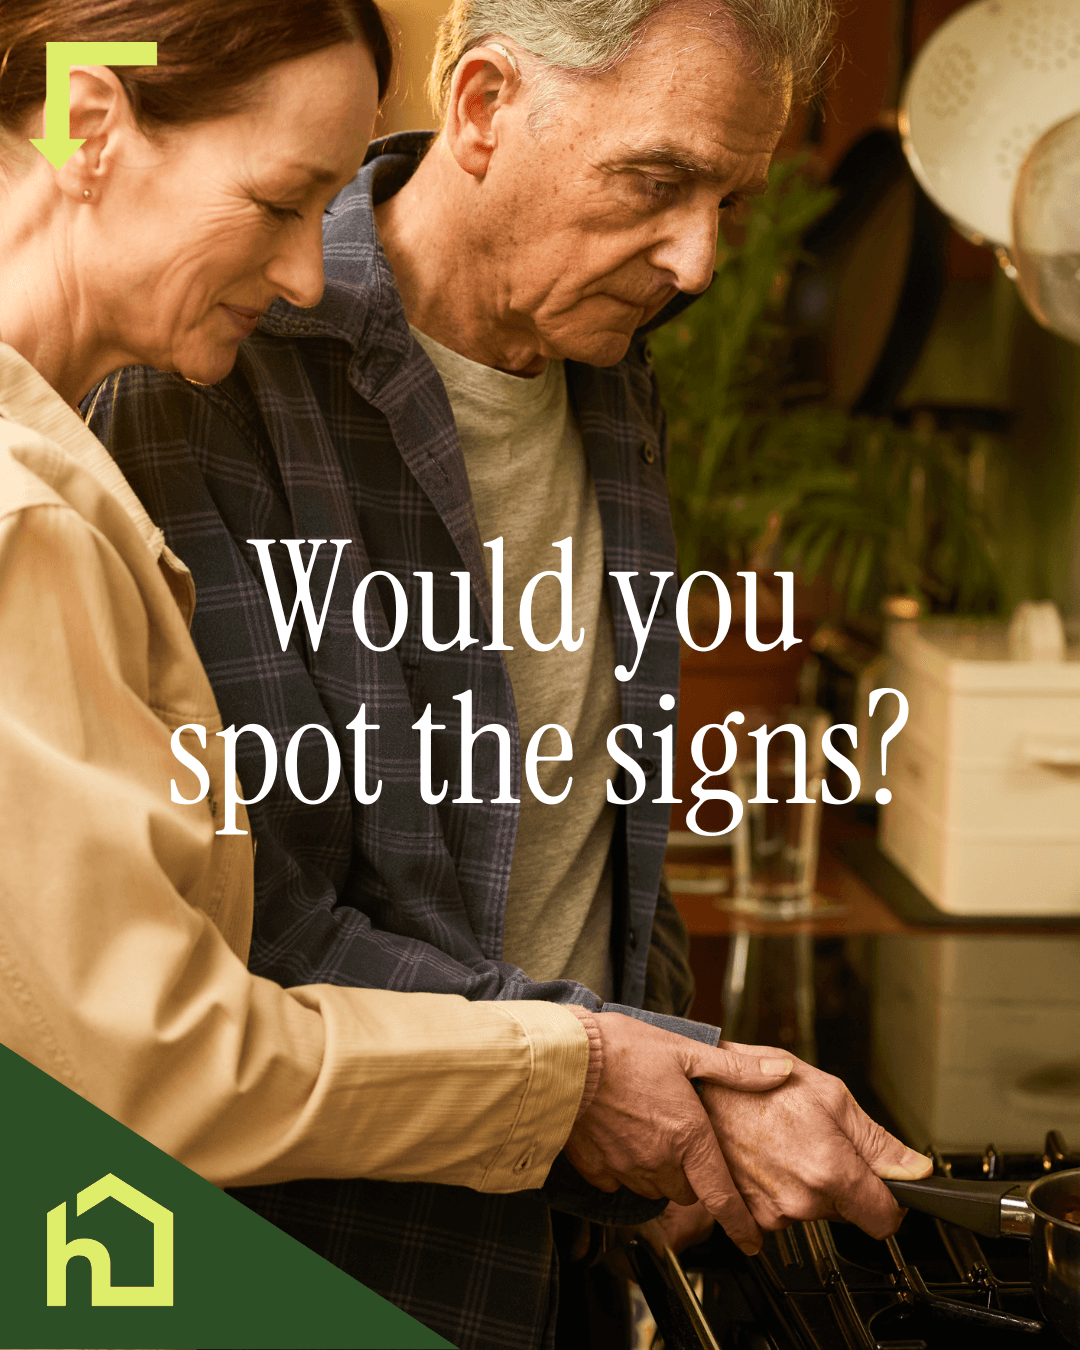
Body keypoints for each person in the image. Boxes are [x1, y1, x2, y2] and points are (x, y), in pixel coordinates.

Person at [87, 0, 933, 1345]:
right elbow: (256, 924)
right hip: (316, 1267)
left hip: (571, 1259)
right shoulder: (210, 365)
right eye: (657, 181)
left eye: (729, 195)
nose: (700, 256)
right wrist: (642, 1083)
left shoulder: (610, 363)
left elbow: (608, 836)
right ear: (483, 106)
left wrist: (669, 1091)